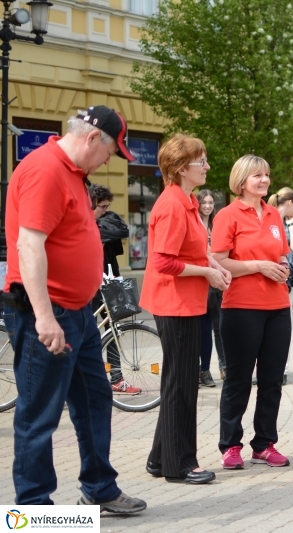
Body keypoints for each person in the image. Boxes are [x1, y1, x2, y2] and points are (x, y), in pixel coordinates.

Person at [3, 105, 146, 511]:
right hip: (49, 312)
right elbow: (29, 245)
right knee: (39, 415)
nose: (108, 162)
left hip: (77, 312)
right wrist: (45, 317)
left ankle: (100, 489)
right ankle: (33, 511)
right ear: (92, 138)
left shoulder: (72, 173)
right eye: (110, 152)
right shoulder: (46, 169)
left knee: (94, 401)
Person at [140, 134, 231, 484]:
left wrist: (213, 265)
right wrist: (207, 273)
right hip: (174, 303)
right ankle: (181, 464)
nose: (207, 166)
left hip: (185, 302)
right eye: (201, 161)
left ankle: (160, 458)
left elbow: (194, 250)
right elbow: (164, 262)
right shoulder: (173, 205)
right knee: (181, 385)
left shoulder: (188, 201)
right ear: (181, 168)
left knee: (178, 382)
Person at [212, 154, 293, 469]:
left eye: (266, 175)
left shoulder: (273, 215)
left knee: (272, 381)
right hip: (241, 307)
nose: (264, 180)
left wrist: (283, 267)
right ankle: (231, 445)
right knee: (238, 381)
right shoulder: (227, 215)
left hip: (278, 308)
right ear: (242, 180)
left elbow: (281, 255)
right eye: (257, 175)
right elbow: (218, 260)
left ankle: (264, 444)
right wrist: (258, 266)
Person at [91, 185, 140, 394]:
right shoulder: (79, 225)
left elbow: (121, 229)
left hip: (108, 280)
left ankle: (116, 378)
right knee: (85, 333)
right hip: (87, 285)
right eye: (102, 206)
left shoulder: (105, 221)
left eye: (107, 206)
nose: (106, 210)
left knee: (112, 330)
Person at [268, 187, 293, 386]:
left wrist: (291, 224)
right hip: (269, 277)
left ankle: (283, 370)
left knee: (282, 326)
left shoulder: (286, 224)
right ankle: (270, 369)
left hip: (285, 281)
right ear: (289, 203)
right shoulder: (268, 219)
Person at [197, 189, 221, 387]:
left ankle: (209, 369)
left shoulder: (216, 225)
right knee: (200, 330)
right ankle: (198, 370)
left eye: (210, 202)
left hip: (215, 282)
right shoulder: (194, 223)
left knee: (215, 329)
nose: (207, 206)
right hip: (197, 280)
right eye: (204, 202)